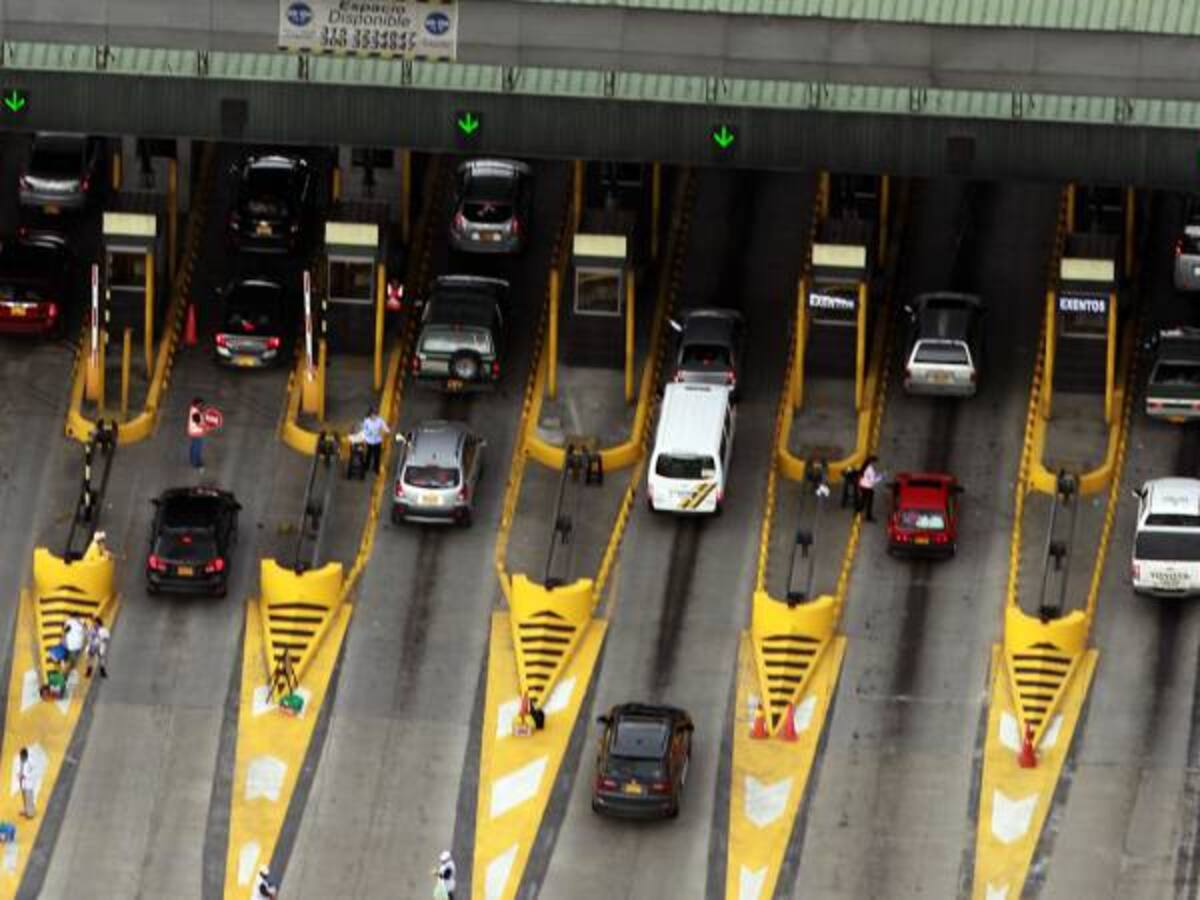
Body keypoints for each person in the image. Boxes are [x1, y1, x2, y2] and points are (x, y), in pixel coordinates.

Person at [359, 406, 389, 475]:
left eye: (375, 415)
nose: (374, 417)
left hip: (377, 441)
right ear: (370, 415)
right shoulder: (366, 421)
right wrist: (368, 433)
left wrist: (387, 431)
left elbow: (385, 427)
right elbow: (364, 429)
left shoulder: (380, 420)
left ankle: (376, 469)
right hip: (369, 441)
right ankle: (366, 467)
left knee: (377, 456)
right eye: (373, 415)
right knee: (368, 455)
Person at [857, 456, 884, 522]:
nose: (877, 464)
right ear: (872, 462)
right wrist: (881, 477)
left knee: (863, 500)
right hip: (867, 487)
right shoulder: (870, 469)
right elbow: (873, 481)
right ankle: (868, 516)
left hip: (862, 485)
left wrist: (876, 476)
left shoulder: (864, 466)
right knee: (869, 502)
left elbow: (868, 476)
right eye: (876, 462)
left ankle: (858, 511)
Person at [188, 397, 207, 470]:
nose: (202, 405)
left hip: (196, 432)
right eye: (201, 404)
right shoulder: (195, 412)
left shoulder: (195, 410)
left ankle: (196, 460)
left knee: (195, 446)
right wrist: (206, 427)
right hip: (196, 432)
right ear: (197, 404)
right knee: (197, 447)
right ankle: (195, 462)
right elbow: (199, 423)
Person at [17, 748, 34, 819]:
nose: (21, 758)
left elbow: (33, 773)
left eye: (22, 757)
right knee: (24, 797)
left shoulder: (31, 762)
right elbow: (19, 769)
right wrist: (18, 774)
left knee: (29, 798)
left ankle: (30, 814)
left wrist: (24, 776)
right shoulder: (21, 761)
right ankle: (26, 809)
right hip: (23, 783)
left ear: (25, 756)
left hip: (29, 783)